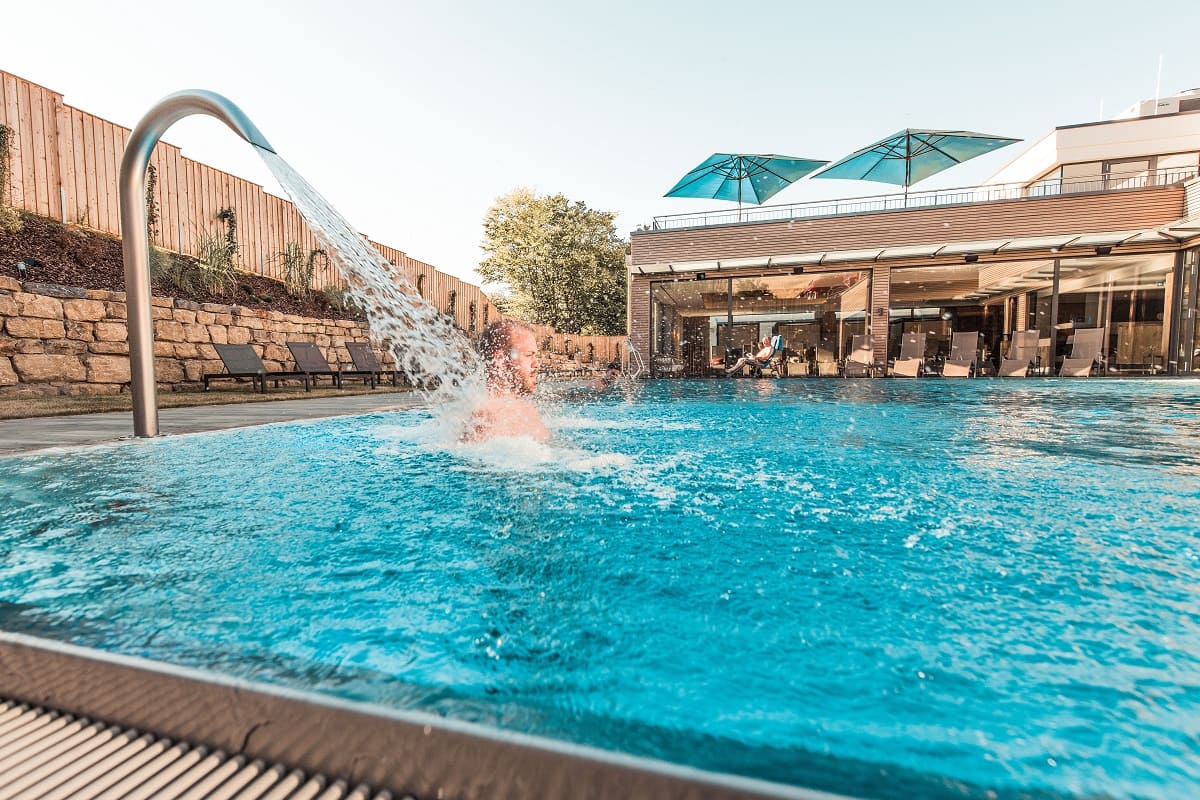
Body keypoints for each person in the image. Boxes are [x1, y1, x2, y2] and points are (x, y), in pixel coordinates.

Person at [463, 320, 550, 441]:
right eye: (529, 355)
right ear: (500, 359)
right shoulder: (486, 418)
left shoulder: (525, 410)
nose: (537, 364)